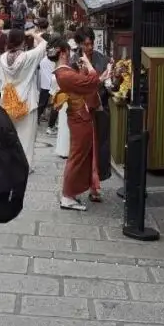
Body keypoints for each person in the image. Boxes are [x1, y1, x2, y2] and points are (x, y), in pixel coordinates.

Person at [52, 38, 101, 211]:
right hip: (79, 118)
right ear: (64, 52)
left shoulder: (63, 73)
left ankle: (70, 193)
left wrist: (82, 70)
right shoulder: (64, 74)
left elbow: (82, 84)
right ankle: (67, 195)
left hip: (78, 115)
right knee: (77, 156)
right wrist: (88, 63)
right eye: (70, 51)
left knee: (79, 155)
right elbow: (92, 81)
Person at [0, 28, 48, 173]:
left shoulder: (2, 58)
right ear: (23, 41)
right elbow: (44, 44)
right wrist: (33, 34)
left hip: (9, 100)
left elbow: (2, 80)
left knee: (11, 135)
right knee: (26, 136)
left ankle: (10, 163)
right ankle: (24, 166)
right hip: (27, 101)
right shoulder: (28, 56)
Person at [75, 28, 112, 200]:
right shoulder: (74, 61)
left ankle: (95, 185)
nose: (89, 47)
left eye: (91, 43)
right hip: (81, 110)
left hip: (100, 107)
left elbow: (109, 84)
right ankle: (79, 185)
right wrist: (97, 80)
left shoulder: (102, 59)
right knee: (83, 149)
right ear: (79, 44)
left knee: (100, 147)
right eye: (85, 44)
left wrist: (112, 77)